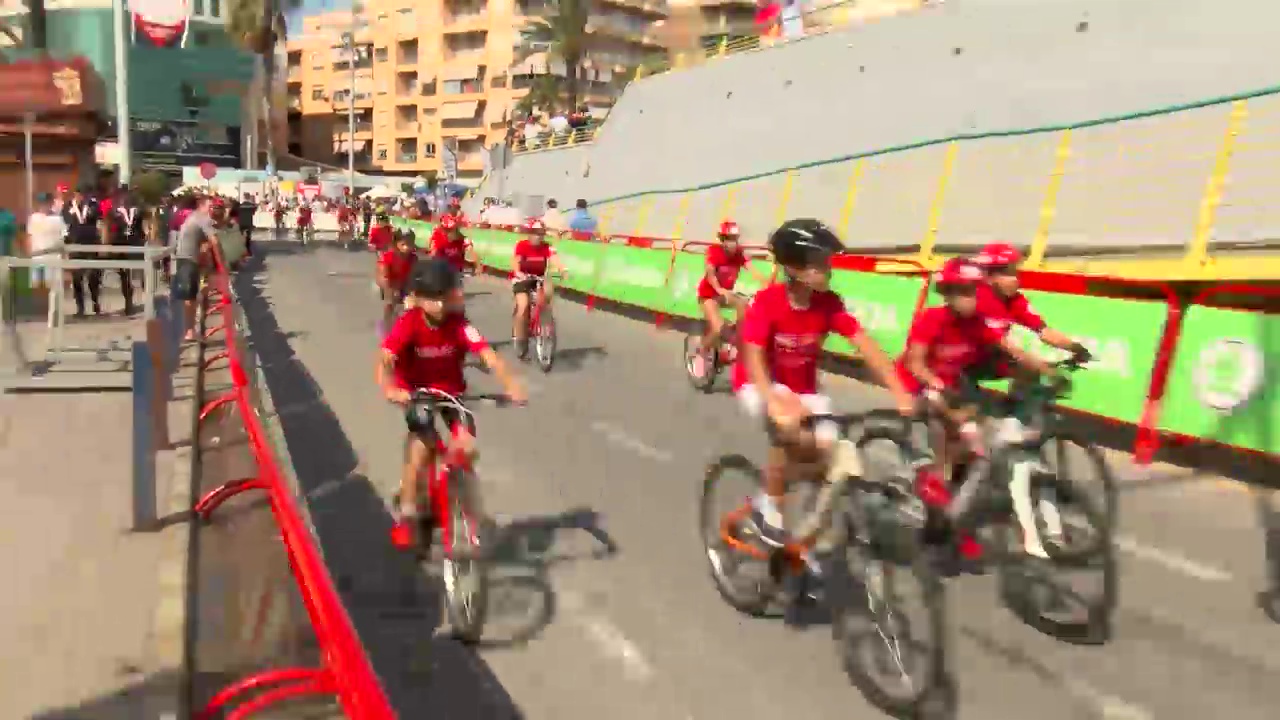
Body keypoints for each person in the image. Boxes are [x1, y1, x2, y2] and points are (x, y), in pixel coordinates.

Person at [734, 218, 914, 549]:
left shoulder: (829, 303)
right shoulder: (767, 302)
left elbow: (867, 346)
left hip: (804, 388)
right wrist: (771, 399)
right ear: (793, 266)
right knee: (790, 428)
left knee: (828, 460)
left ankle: (802, 529)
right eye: (818, 263)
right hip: (759, 383)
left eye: (827, 261)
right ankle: (768, 505)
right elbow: (754, 357)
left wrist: (900, 391)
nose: (827, 269)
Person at [894, 257, 1058, 561]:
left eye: (973, 291)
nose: (969, 298)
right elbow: (914, 362)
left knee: (972, 453)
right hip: (919, 382)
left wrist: (1045, 369)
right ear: (948, 294)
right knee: (948, 427)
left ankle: (952, 520)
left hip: (952, 384)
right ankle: (935, 486)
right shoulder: (932, 319)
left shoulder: (978, 324)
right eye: (961, 292)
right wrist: (936, 384)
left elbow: (1010, 351)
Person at [377, 257, 527, 548]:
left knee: (467, 448)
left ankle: (476, 515)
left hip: (452, 394)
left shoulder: (460, 325)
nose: (442, 303)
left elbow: (488, 355)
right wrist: (390, 388)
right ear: (418, 299)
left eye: (445, 295)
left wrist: (510, 384)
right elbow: (384, 359)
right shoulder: (408, 324)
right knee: (421, 451)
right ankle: (407, 515)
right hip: (417, 394)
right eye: (434, 297)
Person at [970, 242, 1090, 381]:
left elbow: (1045, 332)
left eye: (1015, 272)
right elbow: (1005, 346)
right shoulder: (979, 298)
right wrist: (1044, 370)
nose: (1016, 280)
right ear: (989, 277)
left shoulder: (1014, 299)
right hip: (961, 363)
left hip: (989, 357)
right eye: (1009, 274)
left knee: (1030, 373)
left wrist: (1079, 350)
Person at [692, 220, 766, 378]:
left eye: (735, 239)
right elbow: (710, 274)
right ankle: (701, 352)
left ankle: (735, 343)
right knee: (718, 328)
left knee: (745, 308)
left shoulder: (739, 253)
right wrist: (720, 290)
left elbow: (753, 270)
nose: (733, 243)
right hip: (709, 294)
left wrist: (766, 284)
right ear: (722, 240)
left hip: (725, 294)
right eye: (729, 239)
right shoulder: (714, 251)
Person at [510, 219, 567, 352]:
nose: (539, 236)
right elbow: (515, 261)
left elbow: (555, 259)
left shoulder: (547, 247)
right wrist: (518, 272)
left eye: (541, 233)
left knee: (548, 289)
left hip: (539, 278)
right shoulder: (521, 245)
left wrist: (562, 270)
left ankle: (544, 318)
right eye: (536, 233)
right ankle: (519, 337)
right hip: (522, 278)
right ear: (529, 234)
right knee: (523, 307)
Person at [173, 196, 219, 341]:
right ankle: (189, 331)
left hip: (186, 258)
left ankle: (190, 329)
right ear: (201, 206)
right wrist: (221, 263)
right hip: (188, 259)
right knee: (189, 297)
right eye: (210, 206)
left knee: (191, 297)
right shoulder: (201, 218)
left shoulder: (195, 217)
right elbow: (215, 240)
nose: (213, 209)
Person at [62, 185, 103, 316]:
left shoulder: (93, 204)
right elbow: (65, 224)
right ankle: (80, 307)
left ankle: (95, 301)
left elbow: (97, 219)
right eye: (78, 194)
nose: (80, 197)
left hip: (91, 244)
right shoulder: (68, 206)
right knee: (77, 278)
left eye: (83, 194)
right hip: (75, 245)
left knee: (93, 277)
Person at [107, 192, 146, 315]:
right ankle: (128, 302)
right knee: (124, 276)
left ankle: (132, 299)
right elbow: (113, 229)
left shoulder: (138, 213)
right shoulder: (117, 214)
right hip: (121, 246)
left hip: (134, 245)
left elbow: (141, 229)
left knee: (134, 275)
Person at [376, 229, 418, 335]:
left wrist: (412, 290)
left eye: (410, 244)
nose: (407, 247)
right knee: (390, 303)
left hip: (405, 283)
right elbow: (383, 277)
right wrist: (391, 289)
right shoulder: (387, 257)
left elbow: (415, 275)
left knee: (413, 305)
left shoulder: (413, 258)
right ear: (396, 244)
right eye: (403, 244)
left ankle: (409, 328)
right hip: (389, 282)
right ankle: (386, 324)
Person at [26, 192, 66, 292]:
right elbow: (30, 236)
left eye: (46, 203)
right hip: (36, 257)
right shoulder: (33, 218)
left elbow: (62, 239)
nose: (44, 205)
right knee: (36, 286)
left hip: (52, 257)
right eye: (42, 203)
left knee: (51, 287)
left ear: (50, 203)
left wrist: (64, 254)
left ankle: (52, 307)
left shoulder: (57, 219)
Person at [235, 193, 257, 257]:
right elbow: (253, 213)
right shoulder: (252, 205)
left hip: (241, 223)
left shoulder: (240, 205)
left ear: (244, 197)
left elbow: (237, 212)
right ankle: (248, 251)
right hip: (248, 223)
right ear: (249, 197)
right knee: (248, 237)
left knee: (241, 237)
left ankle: (241, 251)